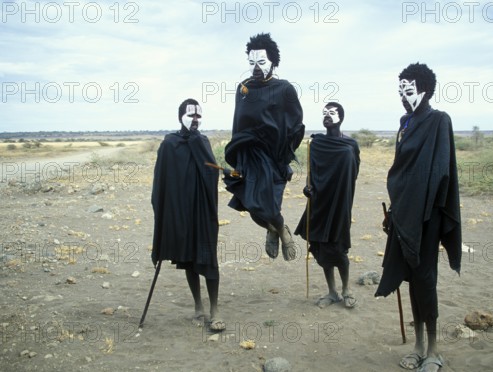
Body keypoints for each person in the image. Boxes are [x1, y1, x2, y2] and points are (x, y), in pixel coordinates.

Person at [375, 63, 461, 372]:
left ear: (424, 89)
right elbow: (402, 169)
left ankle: (434, 351)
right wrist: (397, 209)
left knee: (426, 279)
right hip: (404, 212)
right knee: (411, 279)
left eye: (408, 90)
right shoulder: (404, 123)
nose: (403, 96)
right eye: (399, 90)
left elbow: (440, 172)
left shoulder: (439, 121)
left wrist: (423, 210)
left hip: (428, 214)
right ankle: (418, 346)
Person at [224, 33, 305, 261]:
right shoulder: (243, 89)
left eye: (261, 62)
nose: (256, 68)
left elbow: (296, 124)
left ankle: (279, 228)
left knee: (268, 206)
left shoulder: (285, 89)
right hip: (249, 155)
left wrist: (284, 153)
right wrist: (237, 158)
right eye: (251, 63)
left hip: (273, 157)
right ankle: (275, 229)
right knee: (250, 204)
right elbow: (237, 123)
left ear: (273, 61)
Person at [151, 98, 225, 331]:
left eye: (198, 116)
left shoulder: (203, 142)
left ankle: (214, 310)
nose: (195, 119)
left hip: (203, 211)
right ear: (180, 116)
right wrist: (163, 210)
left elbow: (211, 172)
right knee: (189, 261)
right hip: (180, 212)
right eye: (190, 115)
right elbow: (160, 182)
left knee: (208, 259)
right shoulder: (169, 144)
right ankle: (198, 306)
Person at [295, 102, 360, 309]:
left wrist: (343, 188)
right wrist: (307, 188)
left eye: (332, 113)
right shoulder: (316, 144)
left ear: (341, 117)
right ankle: (332, 291)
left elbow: (354, 172)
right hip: (319, 201)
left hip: (340, 201)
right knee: (321, 247)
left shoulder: (351, 145)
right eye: (324, 113)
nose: (327, 116)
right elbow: (311, 173)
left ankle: (346, 289)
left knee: (339, 247)